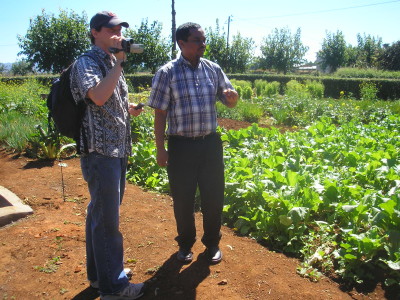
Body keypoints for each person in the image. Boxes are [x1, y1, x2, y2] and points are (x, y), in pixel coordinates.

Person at [147, 22, 239, 265]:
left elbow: (229, 99)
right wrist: (160, 148)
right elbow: (160, 114)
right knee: (183, 198)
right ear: (182, 43)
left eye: (203, 39)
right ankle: (185, 243)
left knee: (214, 196)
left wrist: (232, 99)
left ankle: (212, 244)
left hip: (210, 144)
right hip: (181, 146)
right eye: (197, 40)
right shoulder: (167, 73)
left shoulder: (213, 69)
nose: (203, 44)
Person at [70, 11, 145, 300]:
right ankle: (114, 287)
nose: (119, 35)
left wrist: (129, 110)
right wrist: (119, 63)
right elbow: (98, 96)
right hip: (100, 151)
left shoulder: (109, 63)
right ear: (95, 32)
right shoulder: (86, 63)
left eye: (120, 30)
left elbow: (108, 104)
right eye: (112, 30)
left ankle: (99, 277)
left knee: (98, 215)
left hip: (116, 149)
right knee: (107, 220)